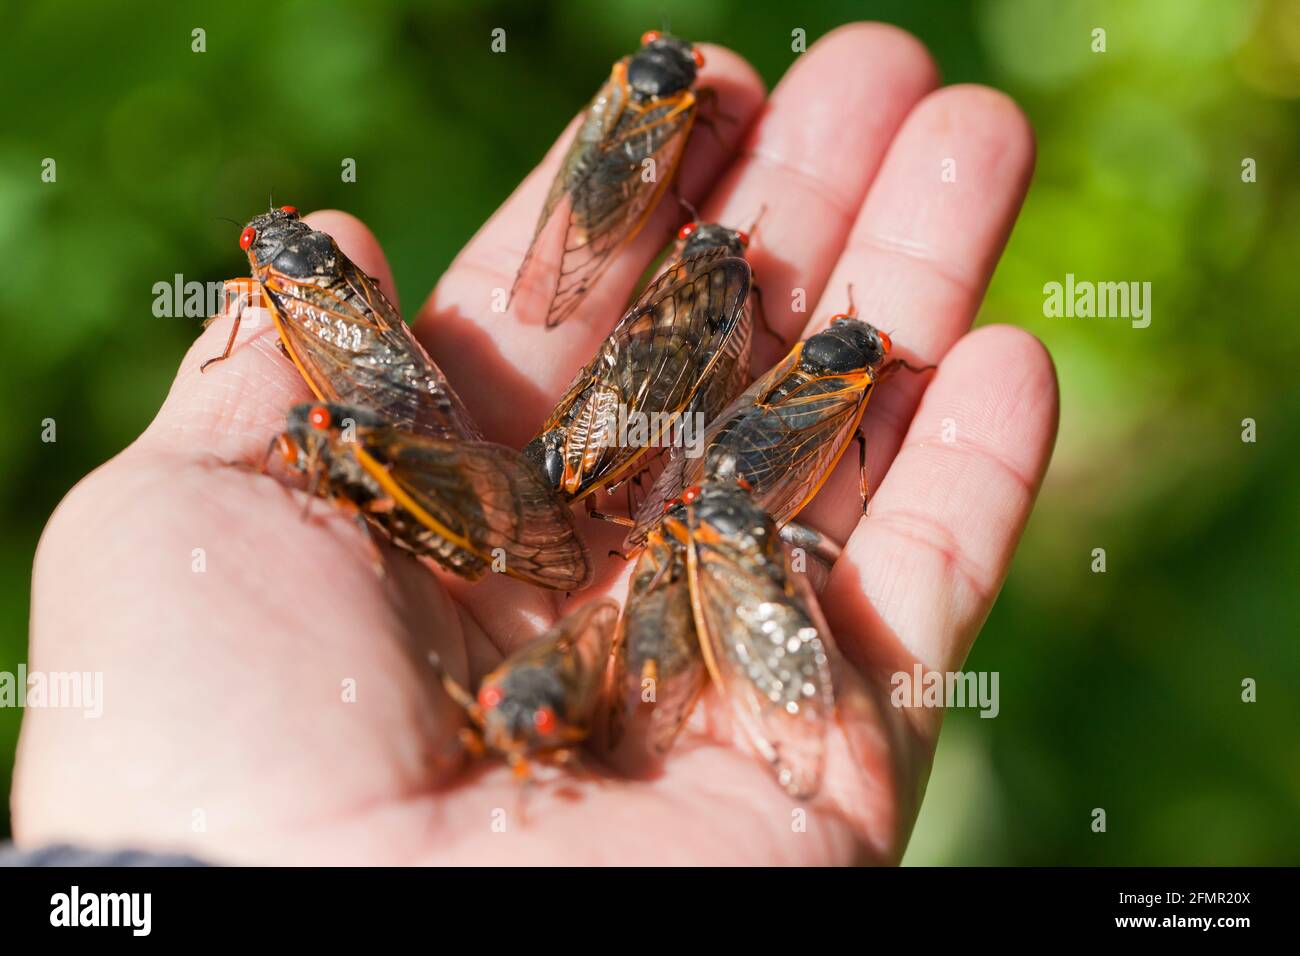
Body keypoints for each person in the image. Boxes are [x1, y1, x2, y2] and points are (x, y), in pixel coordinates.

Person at [12, 23, 1055, 865]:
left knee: (655, 370)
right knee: (647, 372)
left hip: (653, 460)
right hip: (626, 471)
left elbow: (713, 366)